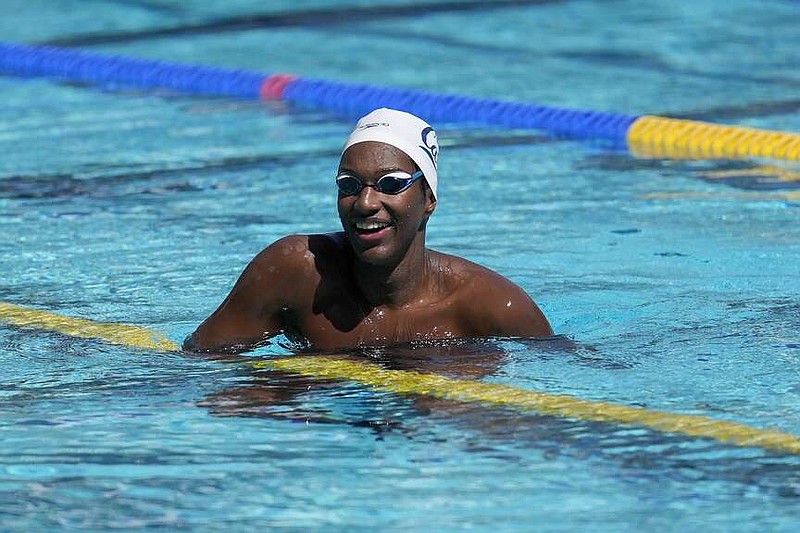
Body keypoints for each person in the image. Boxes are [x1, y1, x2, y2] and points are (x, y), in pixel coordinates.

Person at [183, 108, 552, 354]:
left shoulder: (490, 307)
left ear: (429, 199)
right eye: (349, 184)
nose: (365, 203)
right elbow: (198, 368)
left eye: (391, 183)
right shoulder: (295, 271)